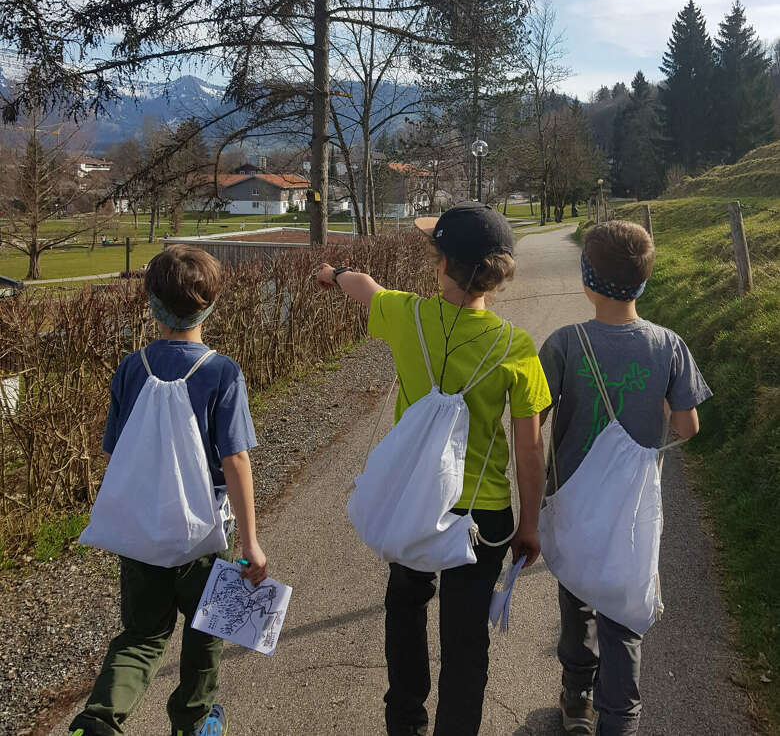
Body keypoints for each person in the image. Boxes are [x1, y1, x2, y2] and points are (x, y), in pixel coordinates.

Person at [316, 201, 551, 736]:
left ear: (443, 264)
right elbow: (530, 449)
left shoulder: (408, 316)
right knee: (467, 641)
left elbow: (365, 287)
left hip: (414, 504)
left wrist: (333, 274)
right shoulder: (516, 347)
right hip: (483, 517)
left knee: (405, 609)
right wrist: (529, 524)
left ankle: (405, 723)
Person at [69, 245, 267, 736]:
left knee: (141, 634)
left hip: (140, 534)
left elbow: (115, 456)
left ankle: (98, 721)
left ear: (151, 304)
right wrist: (251, 543)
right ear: (211, 305)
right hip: (204, 535)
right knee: (207, 630)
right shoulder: (223, 372)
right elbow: (236, 460)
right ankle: (195, 720)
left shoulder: (131, 367)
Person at [538, 220, 712, 735]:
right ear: (645, 281)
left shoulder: (564, 343)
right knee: (625, 607)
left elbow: (535, 418)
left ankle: (576, 698)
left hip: (571, 495)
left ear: (588, 281)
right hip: (633, 503)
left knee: (576, 593)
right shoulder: (669, 345)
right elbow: (687, 426)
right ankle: (620, 720)